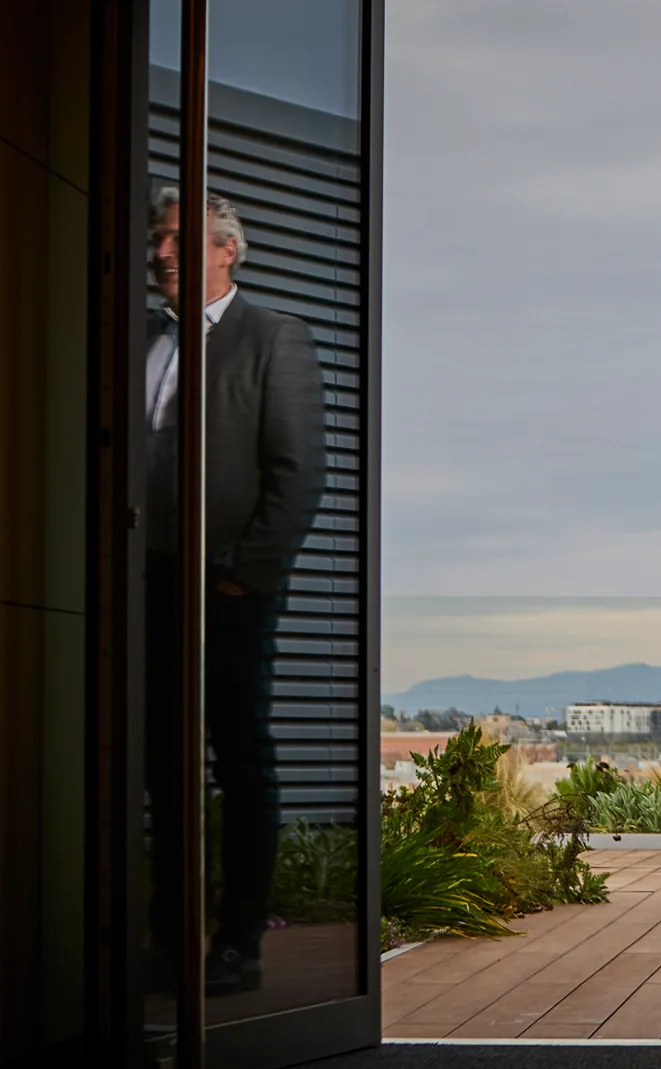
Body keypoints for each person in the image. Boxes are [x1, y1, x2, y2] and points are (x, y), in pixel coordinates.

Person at [144, 189, 327, 995]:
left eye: (179, 238)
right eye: (157, 239)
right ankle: (170, 936)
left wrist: (241, 578)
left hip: (227, 591)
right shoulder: (143, 342)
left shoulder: (272, 338)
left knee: (239, 755)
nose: (161, 252)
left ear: (229, 250)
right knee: (158, 763)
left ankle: (238, 941)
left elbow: (298, 475)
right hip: (141, 581)